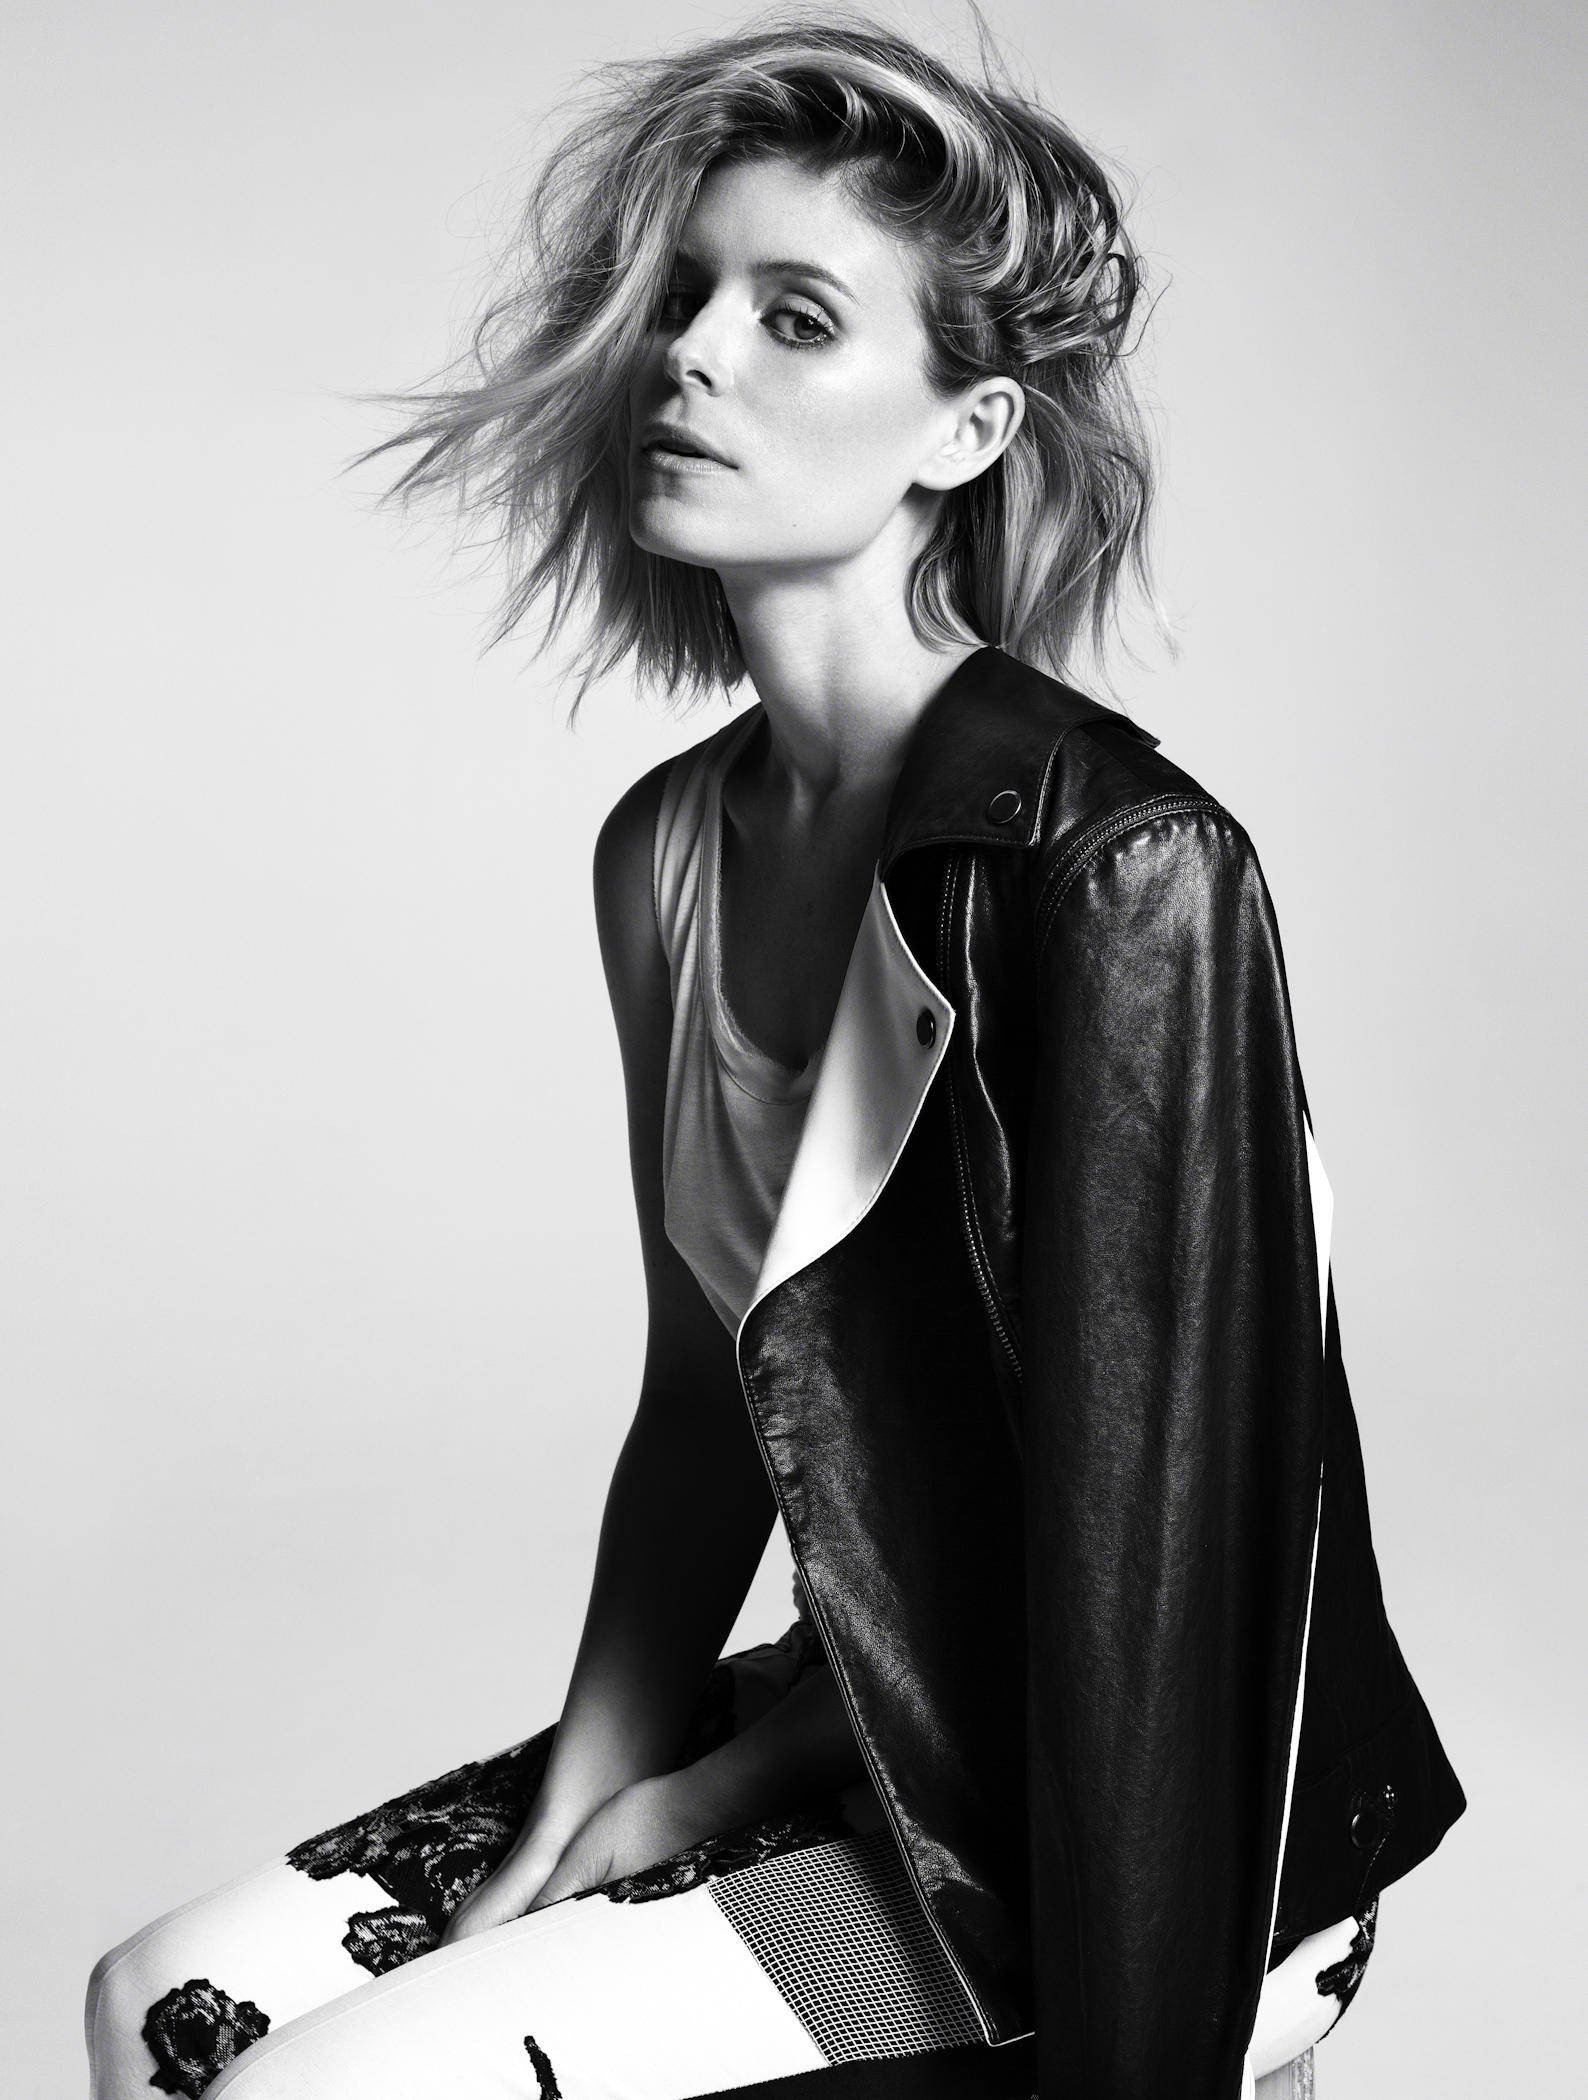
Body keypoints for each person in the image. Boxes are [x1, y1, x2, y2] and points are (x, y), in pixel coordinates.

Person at [84, 12, 1466, 2099]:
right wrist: (598, 1794)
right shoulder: (669, 853)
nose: (688, 356)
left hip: (1137, 1843)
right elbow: (703, 1393)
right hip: (876, 1718)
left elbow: (1169, 1572)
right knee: (163, 2005)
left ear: (963, 430)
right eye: (682, 298)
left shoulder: (1113, 871)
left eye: (793, 318)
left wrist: (1108, 2042)